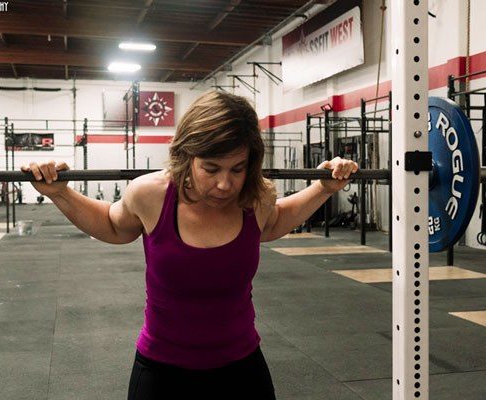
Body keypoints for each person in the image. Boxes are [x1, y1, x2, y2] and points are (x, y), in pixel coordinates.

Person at [22, 91, 358, 400]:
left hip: (241, 368)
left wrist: (324, 188)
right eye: (211, 168)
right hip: (162, 372)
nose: (225, 183)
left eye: (237, 169)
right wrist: (60, 193)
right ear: (187, 155)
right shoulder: (150, 194)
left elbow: (271, 223)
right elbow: (113, 226)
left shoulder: (256, 197)